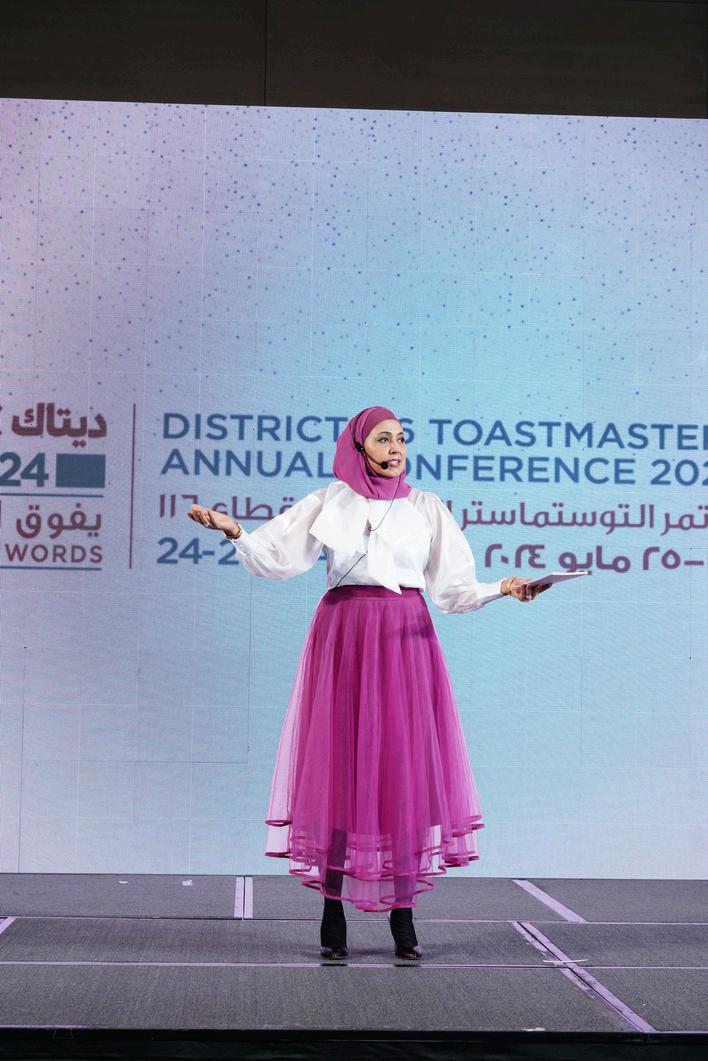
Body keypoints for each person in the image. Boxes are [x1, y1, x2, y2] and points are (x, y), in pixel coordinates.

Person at [187, 405, 550, 962]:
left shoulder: (426, 507)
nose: (396, 447)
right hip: (345, 634)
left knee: (402, 769)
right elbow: (278, 557)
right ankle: (332, 913)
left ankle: (403, 916)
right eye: (383, 438)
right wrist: (235, 531)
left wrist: (504, 587)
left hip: (405, 638)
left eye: (401, 438)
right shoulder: (330, 500)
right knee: (338, 769)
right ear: (358, 447)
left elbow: (452, 591)